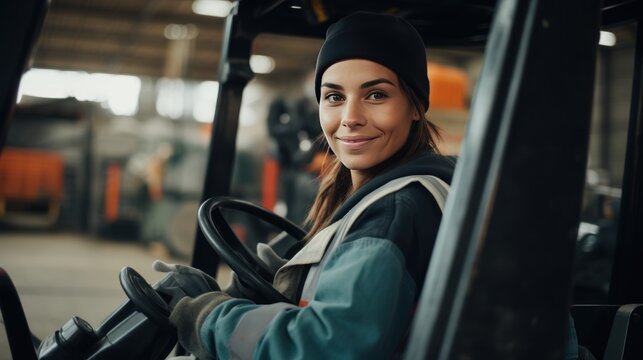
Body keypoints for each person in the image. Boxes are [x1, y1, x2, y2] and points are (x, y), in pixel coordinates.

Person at [163, 11, 455, 359]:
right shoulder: (377, 195)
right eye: (334, 97)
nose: (350, 117)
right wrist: (280, 272)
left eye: (376, 95)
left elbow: (323, 347)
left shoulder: (393, 211)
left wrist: (207, 317)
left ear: (416, 106)